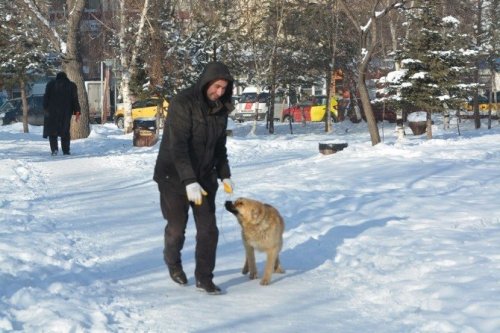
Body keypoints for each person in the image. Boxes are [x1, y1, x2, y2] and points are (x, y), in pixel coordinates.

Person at [153, 62, 235, 295]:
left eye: (224, 88)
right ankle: (173, 261)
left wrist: (225, 174)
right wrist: (189, 181)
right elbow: (178, 146)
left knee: (209, 230)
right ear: (207, 81)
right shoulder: (183, 102)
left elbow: (219, 145)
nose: (219, 92)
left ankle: (204, 278)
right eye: (217, 86)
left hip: (205, 177)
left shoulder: (221, 108)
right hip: (173, 176)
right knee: (177, 229)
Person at [43, 72, 80, 156]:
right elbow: (75, 100)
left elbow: (46, 98)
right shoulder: (71, 85)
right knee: (65, 131)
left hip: (52, 112)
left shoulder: (50, 84)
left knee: (52, 132)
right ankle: (66, 150)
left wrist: (45, 108)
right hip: (66, 112)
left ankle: (54, 149)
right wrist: (77, 111)